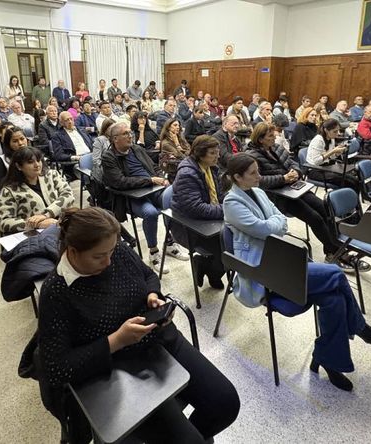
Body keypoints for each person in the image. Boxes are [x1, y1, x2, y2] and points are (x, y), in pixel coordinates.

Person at [36, 206, 239, 443]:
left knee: (226, 404)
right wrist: (116, 341)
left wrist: (153, 295)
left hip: (159, 340)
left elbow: (148, 275)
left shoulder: (117, 251)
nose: (108, 261)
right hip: (118, 367)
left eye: (111, 251)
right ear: (73, 251)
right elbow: (56, 368)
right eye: (99, 256)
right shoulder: (57, 291)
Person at [222, 153, 371, 391]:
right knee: (336, 274)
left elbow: (280, 220)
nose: (259, 176)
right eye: (253, 173)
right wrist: (275, 224)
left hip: (281, 259)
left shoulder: (258, 192)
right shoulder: (232, 203)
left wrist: (274, 224)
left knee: (334, 300)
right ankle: (359, 326)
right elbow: (264, 229)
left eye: (258, 170)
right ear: (237, 177)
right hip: (263, 271)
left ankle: (328, 360)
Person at [247, 123, 369, 272]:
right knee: (314, 217)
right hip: (277, 196)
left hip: (293, 187)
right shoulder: (252, 156)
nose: (275, 137)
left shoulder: (277, 147)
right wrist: (283, 178)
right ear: (260, 139)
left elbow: (293, 163)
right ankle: (337, 254)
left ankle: (334, 249)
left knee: (325, 210)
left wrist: (296, 172)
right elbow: (258, 182)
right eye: (270, 136)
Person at [102, 122, 188, 272]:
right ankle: (153, 252)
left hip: (153, 189)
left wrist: (163, 178)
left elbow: (153, 167)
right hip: (132, 196)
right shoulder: (109, 157)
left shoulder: (136, 149)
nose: (130, 136)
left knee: (173, 198)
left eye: (130, 132)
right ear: (115, 138)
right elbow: (119, 182)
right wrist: (150, 180)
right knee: (151, 213)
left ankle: (169, 242)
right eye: (126, 134)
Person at [171, 136, 226, 289]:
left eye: (217, 152)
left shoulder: (211, 167)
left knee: (238, 238)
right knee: (227, 246)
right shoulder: (187, 174)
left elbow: (219, 195)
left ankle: (209, 268)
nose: (217, 156)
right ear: (200, 154)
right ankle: (208, 267)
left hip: (206, 218)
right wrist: (225, 210)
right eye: (213, 153)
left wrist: (232, 202)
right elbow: (195, 208)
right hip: (188, 225)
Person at [0, 146, 74, 236]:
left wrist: (46, 215)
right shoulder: (9, 191)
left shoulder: (52, 175)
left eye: (39, 160)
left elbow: (68, 195)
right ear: (19, 166)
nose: (37, 165)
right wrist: (37, 224)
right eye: (30, 162)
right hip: (35, 235)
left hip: (62, 226)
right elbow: (4, 221)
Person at [306, 119, 361, 191]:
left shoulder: (331, 138)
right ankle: (344, 197)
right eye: (335, 131)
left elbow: (331, 157)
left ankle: (356, 197)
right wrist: (333, 151)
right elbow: (316, 161)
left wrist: (338, 153)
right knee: (349, 182)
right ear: (326, 130)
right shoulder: (318, 140)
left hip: (326, 167)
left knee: (355, 180)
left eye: (338, 131)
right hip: (315, 170)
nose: (338, 133)